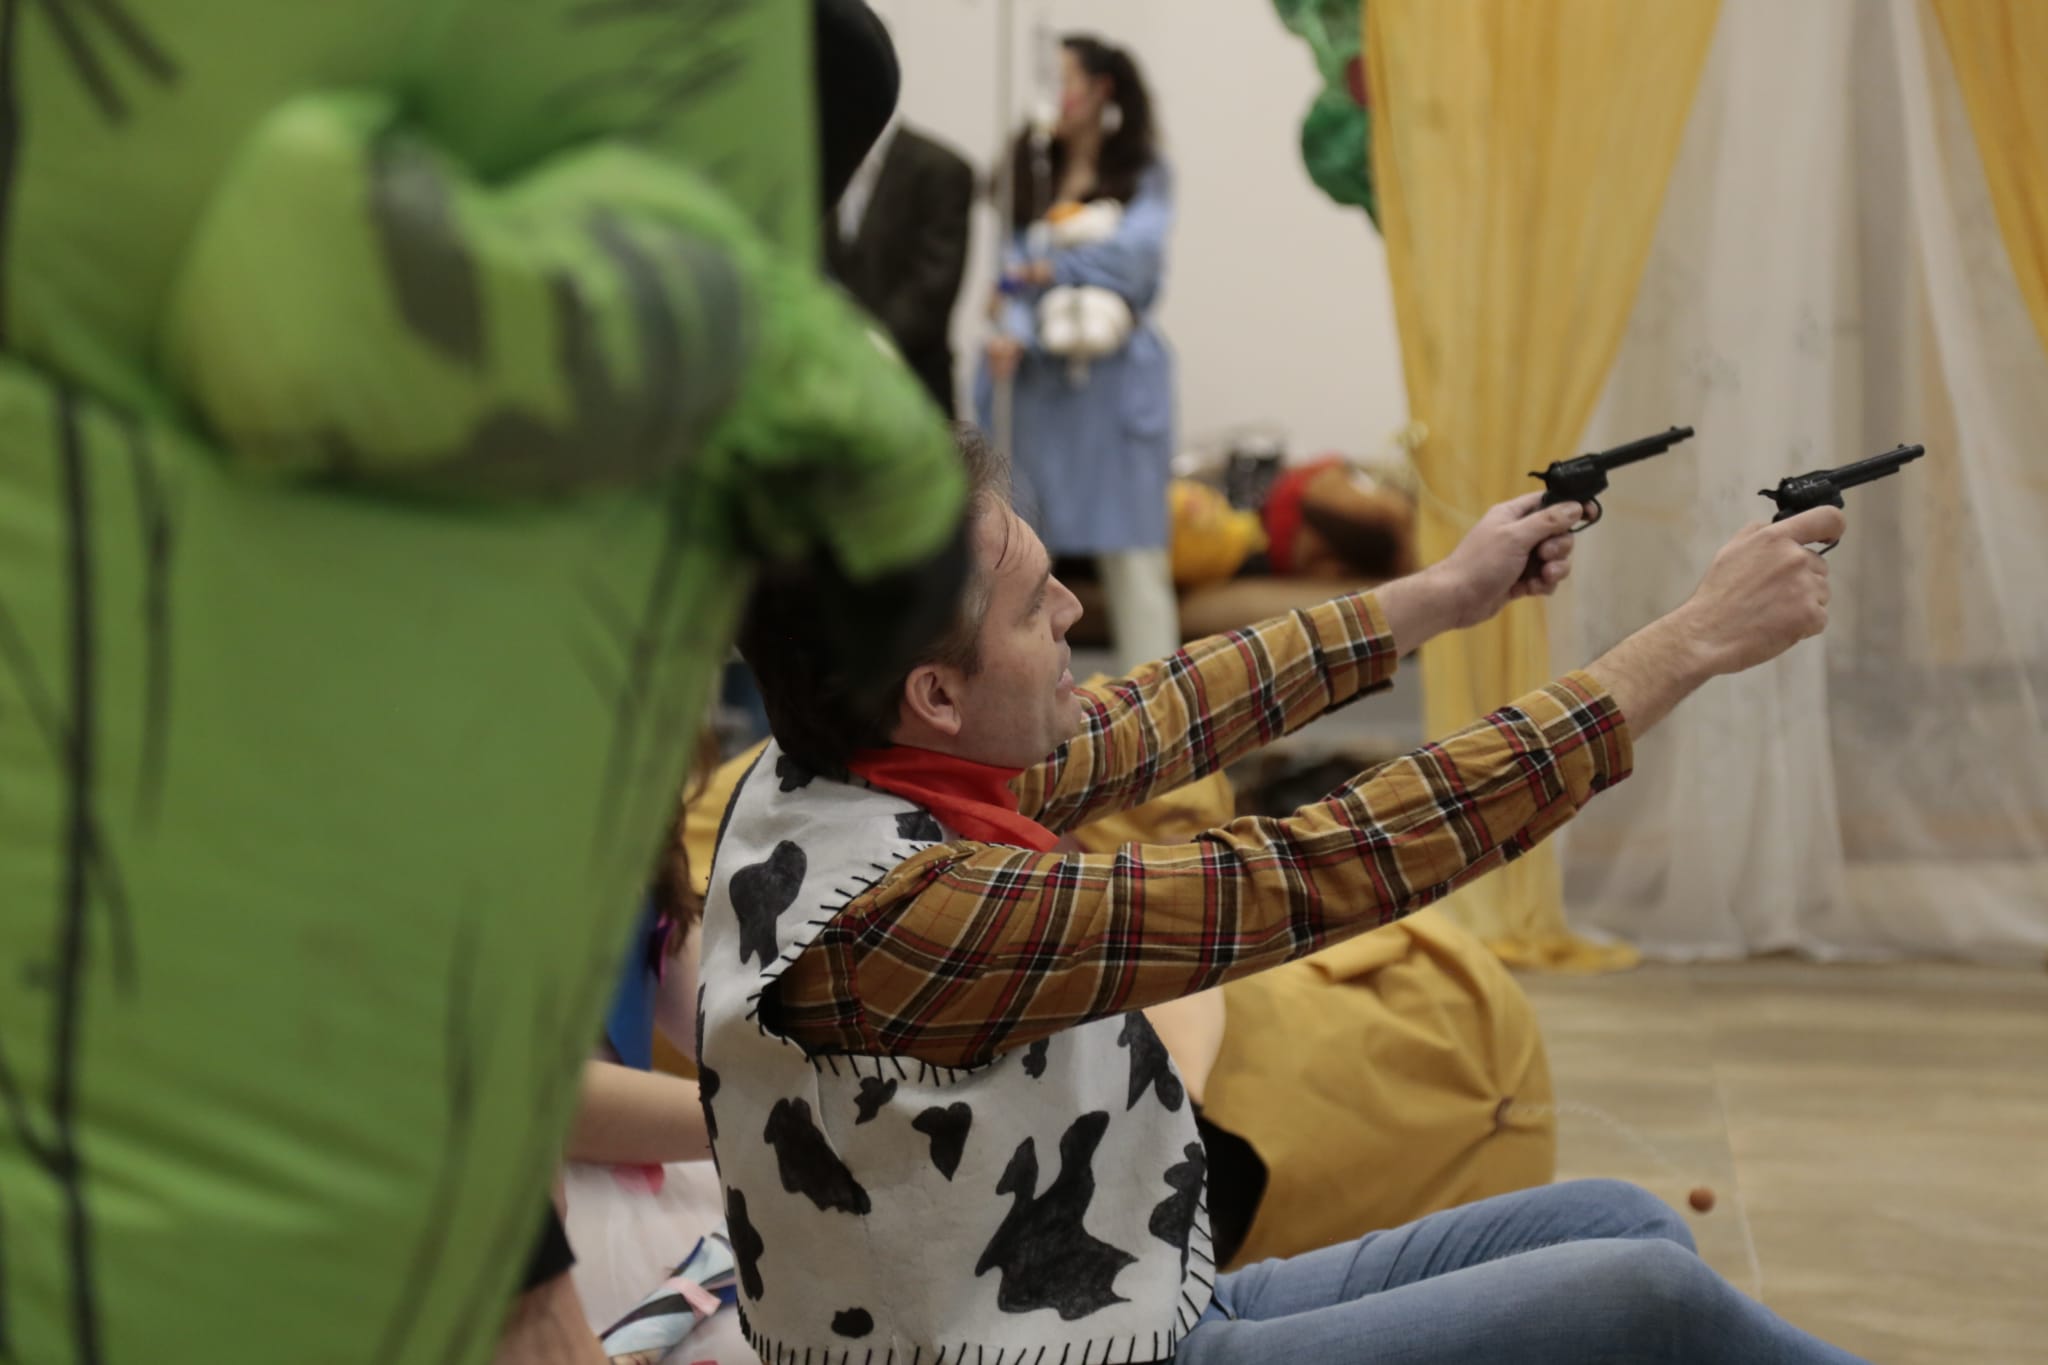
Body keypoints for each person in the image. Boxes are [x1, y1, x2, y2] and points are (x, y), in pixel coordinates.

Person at [701, 426, 1868, 1364]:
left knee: (1624, 1225)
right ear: (934, 694)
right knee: (1644, 1299)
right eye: (1031, 607)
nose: (1070, 613)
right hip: (1087, 1345)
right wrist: (1691, 644)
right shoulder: (910, 922)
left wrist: (1440, 595)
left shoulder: (831, 769)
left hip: (1129, 1304)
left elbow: (1166, 708)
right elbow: (1311, 870)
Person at [978, 35, 1181, 672]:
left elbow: (1135, 261)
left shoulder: (1145, 172)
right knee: (1019, 555)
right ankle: (1018, 710)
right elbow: (1006, 274)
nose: (1054, 97)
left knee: (1136, 561)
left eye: (1065, 80)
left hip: (1115, 386)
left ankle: (1164, 715)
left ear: (1102, 90)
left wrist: (1047, 267)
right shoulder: (1025, 168)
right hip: (1033, 387)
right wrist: (1015, 324)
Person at [827, 118, 977, 415]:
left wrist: (864, 351)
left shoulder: (941, 169)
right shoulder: (818, 162)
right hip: (832, 397)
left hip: (914, 390)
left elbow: (933, 284)